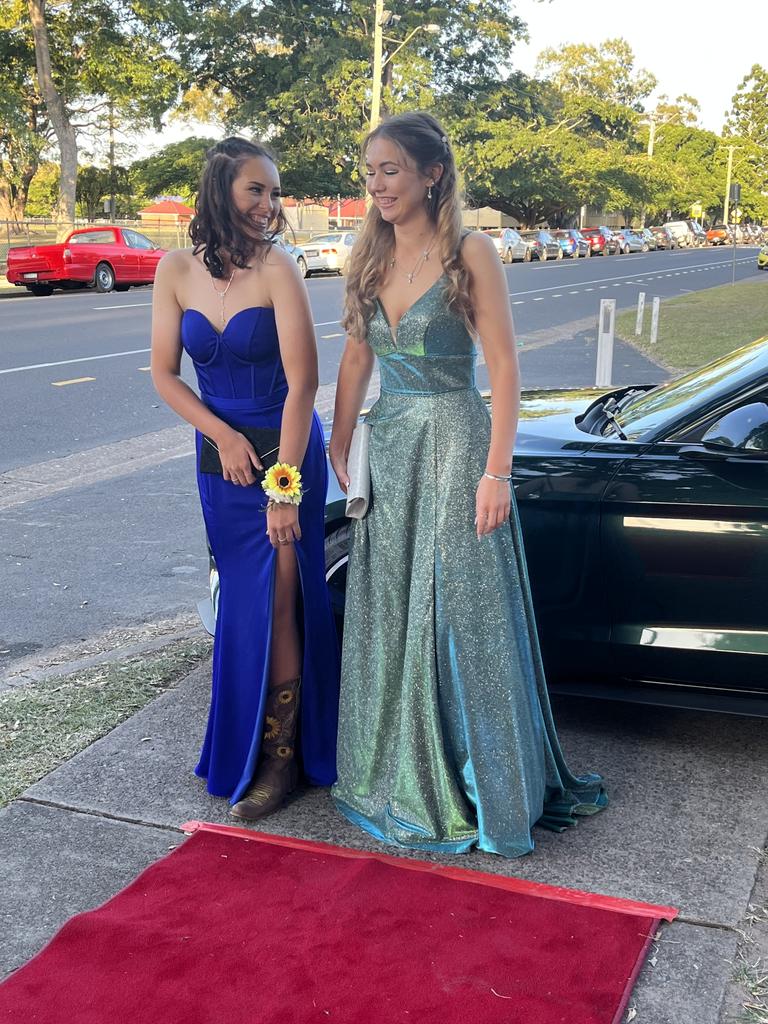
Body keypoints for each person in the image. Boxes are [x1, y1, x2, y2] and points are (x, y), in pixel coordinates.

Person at [328, 112, 606, 858]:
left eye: (390, 170)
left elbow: (506, 368)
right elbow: (357, 363)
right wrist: (338, 437)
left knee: (459, 615)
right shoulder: (368, 255)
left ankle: (481, 788)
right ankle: (397, 775)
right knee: (392, 606)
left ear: (430, 175)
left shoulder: (471, 251)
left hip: (456, 441)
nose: (377, 185)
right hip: (390, 447)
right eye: (369, 171)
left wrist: (497, 471)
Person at [151, 138, 339, 819]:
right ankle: (240, 746)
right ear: (221, 190)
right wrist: (221, 434)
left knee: (280, 601)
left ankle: (280, 765)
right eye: (256, 190)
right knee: (240, 601)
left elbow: (302, 384)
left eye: (275, 192)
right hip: (220, 462)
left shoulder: (279, 268)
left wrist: (283, 486)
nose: (270, 205)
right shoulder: (175, 269)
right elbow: (165, 375)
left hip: (284, 454)